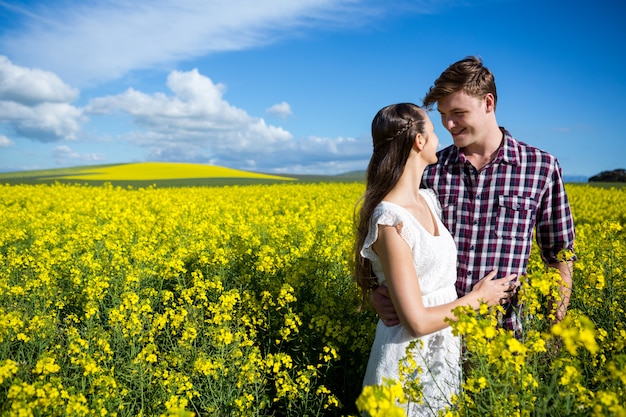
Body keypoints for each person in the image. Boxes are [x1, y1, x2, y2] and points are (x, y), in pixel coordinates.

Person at [371, 56, 576, 338]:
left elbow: (559, 255)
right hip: (440, 335)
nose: (449, 124)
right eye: (442, 115)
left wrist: (556, 324)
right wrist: (376, 292)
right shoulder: (430, 168)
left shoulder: (541, 168)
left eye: (458, 113)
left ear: (488, 103)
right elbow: (391, 233)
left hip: (507, 340)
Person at [355, 103, 517, 416]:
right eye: (432, 129)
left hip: (441, 353)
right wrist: (479, 298)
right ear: (419, 141)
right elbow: (416, 322)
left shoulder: (429, 200)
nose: (439, 137)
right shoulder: (390, 220)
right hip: (405, 357)